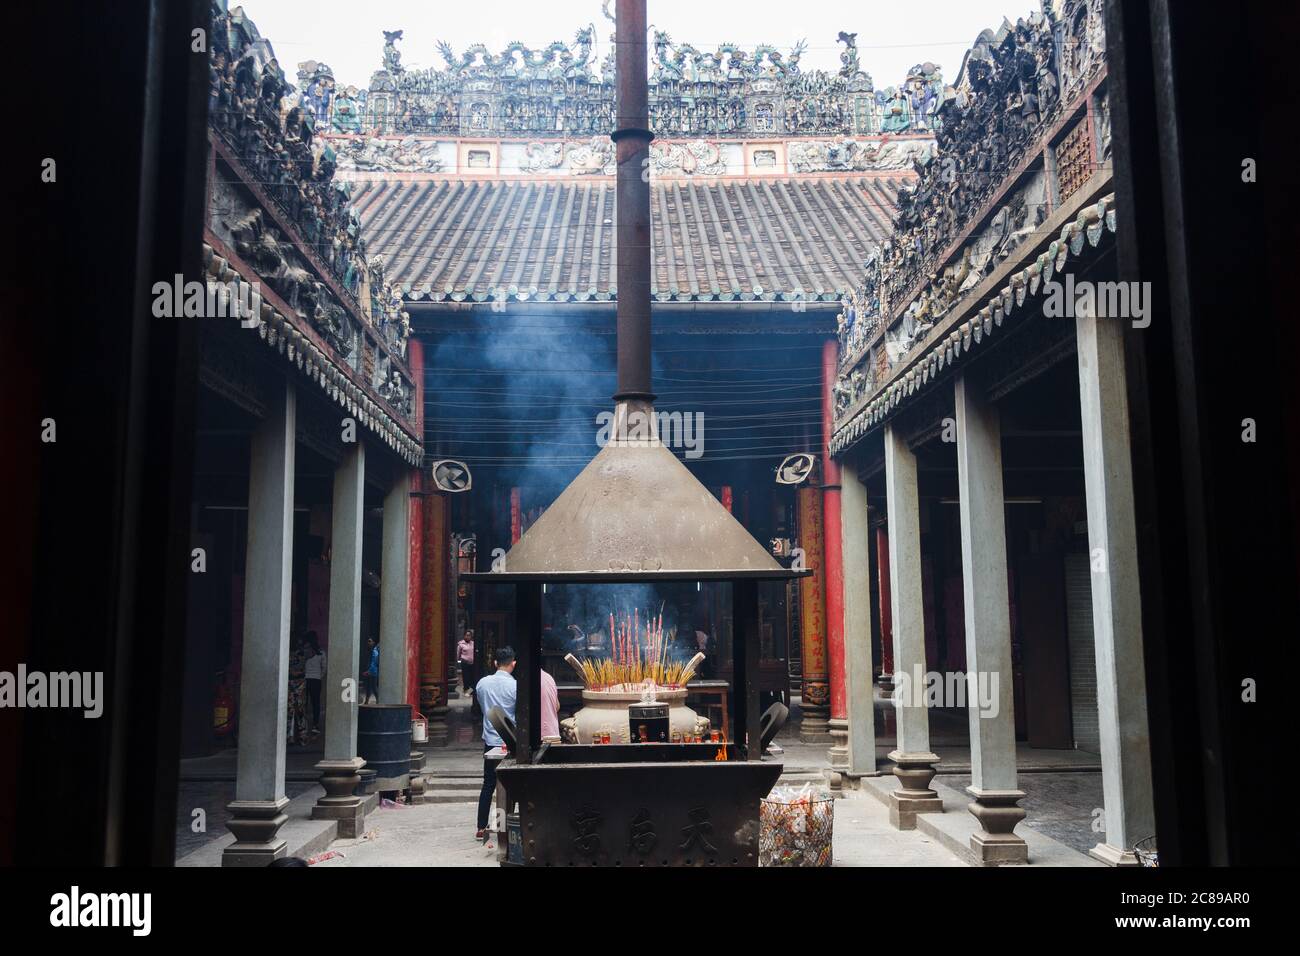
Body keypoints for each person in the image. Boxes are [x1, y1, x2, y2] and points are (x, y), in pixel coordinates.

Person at [473, 647, 517, 840]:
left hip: (490, 740)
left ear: (495, 663)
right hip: (509, 741)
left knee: (489, 783)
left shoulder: (482, 684)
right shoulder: (515, 686)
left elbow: (484, 709)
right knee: (510, 785)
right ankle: (505, 826)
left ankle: (481, 827)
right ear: (513, 663)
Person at [303, 631, 325, 736]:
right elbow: (324, 667)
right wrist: (319, 676)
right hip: (316, 680)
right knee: (315, 703)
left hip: (305, 679)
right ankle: (315, 725)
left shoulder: (305, 651)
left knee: (304, 703)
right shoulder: (321, 652)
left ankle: (303, 725)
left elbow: (302, 663)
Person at [540, 666, 561, 743]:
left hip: (542, 737)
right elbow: (557, 706)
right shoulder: (549, 677)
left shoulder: (528, 679)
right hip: (554, 734)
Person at [456, 628, 476, 695]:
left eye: (469, 635)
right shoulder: (461, 644)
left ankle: (471, 691)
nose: (468, 637)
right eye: (466, 635)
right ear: (464, 636)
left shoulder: (473, 643)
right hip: (465, 662)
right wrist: (459, 660)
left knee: (472, 677)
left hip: (472, 662)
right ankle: (466, 690)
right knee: (466, 677)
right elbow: (458, 654)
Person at [363, 637, 379, 703]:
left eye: (370, 641)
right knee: (368, 687)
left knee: (374, 687)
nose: (368, 643)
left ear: (373, 642)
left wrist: (369, 671)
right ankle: (366, 701)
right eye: (368, 641)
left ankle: (378, 700)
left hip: (373, 672)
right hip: (369, 672)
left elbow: (374, 663)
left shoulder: (374, 652)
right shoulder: (370, 651)